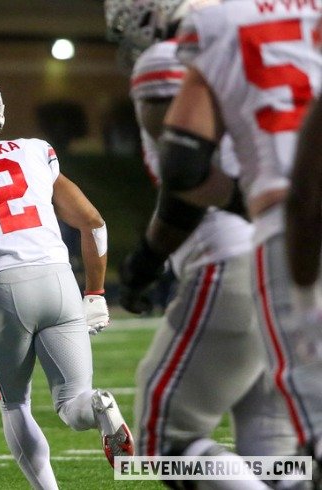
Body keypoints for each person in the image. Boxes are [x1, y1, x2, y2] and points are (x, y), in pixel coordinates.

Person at [107, 1, 298, 483]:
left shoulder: (170, 56)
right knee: (273, 449)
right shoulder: (279, 48)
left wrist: (147, 260)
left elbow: (187, 177)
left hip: (235, 258)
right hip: (296, 261)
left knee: (159, 445)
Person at [0, 72, 130, 488]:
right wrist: (97, 293)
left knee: (14, 404)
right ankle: (102, 406)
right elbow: (94, 223)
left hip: (6, 287)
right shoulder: (34, 150)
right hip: (61, 281)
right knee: (74, 405)